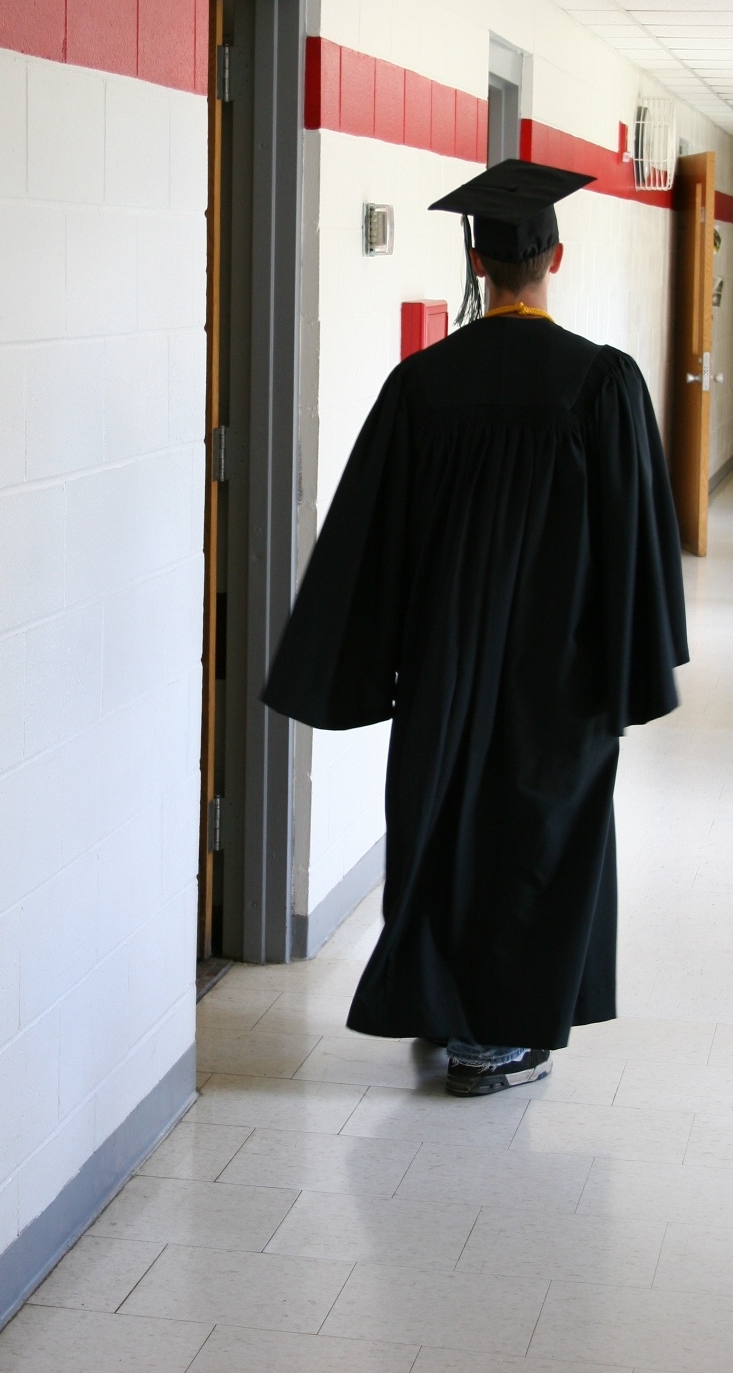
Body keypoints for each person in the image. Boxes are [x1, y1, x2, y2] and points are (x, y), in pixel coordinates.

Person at [263, 159, 688, 1098]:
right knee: (536, 839)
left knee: (443, 823)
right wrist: (631, 665)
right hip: (561, 676)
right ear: (554, 258)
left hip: (443, 666)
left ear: (477, 261)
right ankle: (499, 1034)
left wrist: (379, 659)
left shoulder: (421, 387)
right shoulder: (602, 383)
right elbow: (636, 539)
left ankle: (444, 1006)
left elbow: (370, 541)